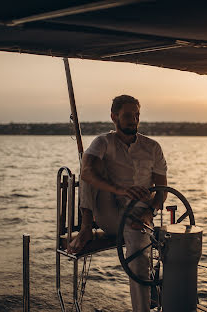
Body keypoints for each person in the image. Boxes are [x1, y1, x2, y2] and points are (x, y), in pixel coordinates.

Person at [68, 95, 167, 312]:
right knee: (90, 165)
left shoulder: (152, 147)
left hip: (138, 218)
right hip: (109, 213)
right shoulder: (103, 142)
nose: (134, 120)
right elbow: (86, 173)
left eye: (137, 115)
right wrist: (120, 190)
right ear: (114, 117)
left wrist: (150, 212)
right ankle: (85, 229)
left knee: (140, 265)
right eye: (128, 115)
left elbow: (162, 191)